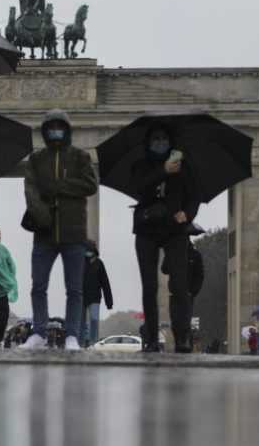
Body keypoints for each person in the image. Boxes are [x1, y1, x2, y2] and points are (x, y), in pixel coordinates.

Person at [20, 110, 98, 351]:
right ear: (45, 131)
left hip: (73, 232)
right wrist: (41, 214)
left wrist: (59, 186)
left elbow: (90, 184)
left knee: (75, 288)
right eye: (51, 127)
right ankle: (38, 333)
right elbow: (30, 189)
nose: (55, 130)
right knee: (38, 286)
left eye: (59, 126)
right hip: (44, 232)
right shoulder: (36, 159)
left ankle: (73, 335)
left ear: (67, 129)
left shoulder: (80, 157)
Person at [127, 123, 199, 353]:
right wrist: (163, 171)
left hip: (175, 231)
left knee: (179, 285)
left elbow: (194, 196)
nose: (160, 142)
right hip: (146, 229)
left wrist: (187, 214)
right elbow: (138, 189)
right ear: (148, 144)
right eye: (155, 139)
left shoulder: (185, 167)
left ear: (171, 143)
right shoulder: (140, 166)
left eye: (164, 139)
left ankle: (182, 336)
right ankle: (150, 337)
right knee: (149, 286)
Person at [81, 240, 113, 347]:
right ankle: (81, 342)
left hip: (95, 298)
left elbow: (105, 283)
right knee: (81, 321)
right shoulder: (80, 262)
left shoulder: (99, 263)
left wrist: (109, 302)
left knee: (94, 319)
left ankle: (92, 342)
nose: (88, 252)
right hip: (81, 297)